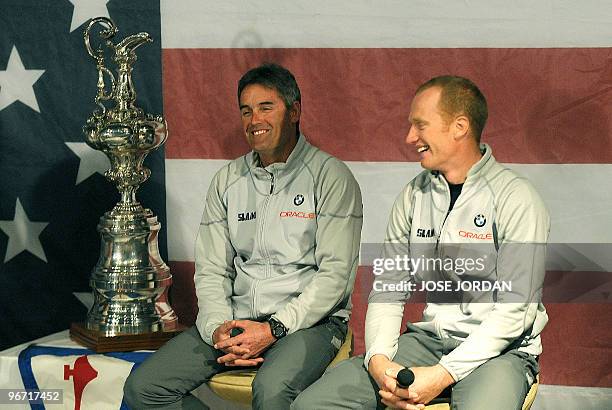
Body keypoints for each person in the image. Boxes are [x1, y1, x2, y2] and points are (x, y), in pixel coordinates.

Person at [292, 75, 549, 410]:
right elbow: (387, 290)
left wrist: (442, 375)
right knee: (311, 406)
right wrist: (379, 360)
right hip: (428, 342)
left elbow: (515, 314)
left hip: (501, 352)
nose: (410, 137)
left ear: (459, 127)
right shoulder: (414, 195)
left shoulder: (517, 198)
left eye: (420, 125)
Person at [123, 63, 363, 409]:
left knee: (272, 390)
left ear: (294, 111)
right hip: (237, 320)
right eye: (246, 111)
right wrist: (218, 329)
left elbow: (335, 278)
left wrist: (274, 329)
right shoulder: (227, 180)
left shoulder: (331, 177)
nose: (254, 121)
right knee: (144, 388)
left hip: (310, 324)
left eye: (267, 107)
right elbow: (212, 269)